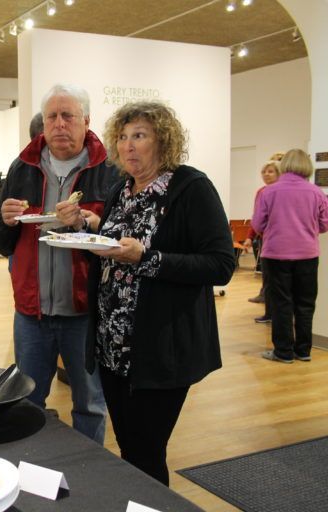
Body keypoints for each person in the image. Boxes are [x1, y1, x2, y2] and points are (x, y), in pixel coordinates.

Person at [82, 101, 235, 485]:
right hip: (112, 347)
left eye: (139, 136)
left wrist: (147, 259)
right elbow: (114, 247)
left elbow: (220, 264)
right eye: (122, 137)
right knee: (130, 448)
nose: (128, 145)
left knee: (146, 451)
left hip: (160, 349)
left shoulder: (190, 188)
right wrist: (87, 230)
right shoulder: (121, 190)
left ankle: (149, 504)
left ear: (163, 141)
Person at [0, 83, 120, 444]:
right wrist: (6, 220)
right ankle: (33, 461)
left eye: (68, 116)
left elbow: (121, 239)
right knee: (27, 402)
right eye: (52, 117)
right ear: (43, 123)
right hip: (32, 314)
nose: (59, 124)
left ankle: (88, 469)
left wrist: (90, 224)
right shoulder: (22, 167)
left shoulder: (108, 170)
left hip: (85, 312)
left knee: (90, 403)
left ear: (86, 121)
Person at [253, 148, 328, 363]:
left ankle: (283, 351)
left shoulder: (269, 192)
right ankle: (303, 350)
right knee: (305, 303)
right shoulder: (316, 193)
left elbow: (258, 224)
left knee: (281, 303)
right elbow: (324, 224)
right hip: (308, 255)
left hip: (276, 255)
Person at [243, 159, 281, 322]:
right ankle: (270, 313)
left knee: (278, 280)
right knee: (268, 278)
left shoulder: (280, 191)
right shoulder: (261, 192)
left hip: (276, 240)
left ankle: (278, 315)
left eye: (270, 171)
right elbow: (257, 216)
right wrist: (250, 237)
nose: (266, 174)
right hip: (267, 239)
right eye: (264, 172)